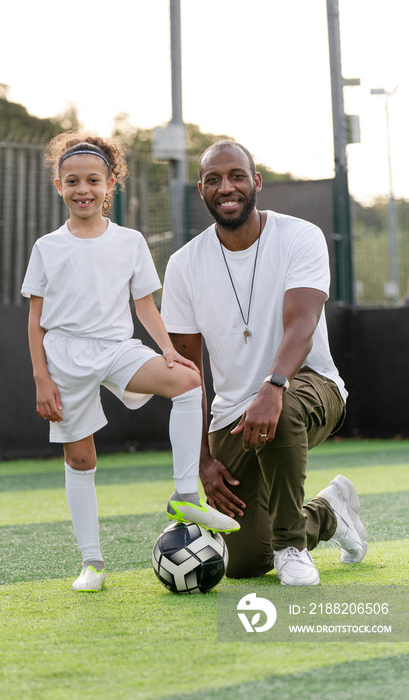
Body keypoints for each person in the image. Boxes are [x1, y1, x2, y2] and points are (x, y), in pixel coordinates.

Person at [21, 132, 239, 592]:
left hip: (117, 349)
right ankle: (93, 565)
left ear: (110, 184)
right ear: (58, 186)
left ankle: (184, 498)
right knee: (80, 460)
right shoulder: (47, 247)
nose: (83, 189)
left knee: (188, 380)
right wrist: (42, 378)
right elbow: (36, 321)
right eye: (73, 181)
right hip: (65, 360)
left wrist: (168, 349)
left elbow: (144, 307)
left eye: (93, 180)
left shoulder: (131, 241)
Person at [161, 140, 367, 586]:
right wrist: (201, 459)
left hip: (310, 385)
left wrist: (273, 386)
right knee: (245, 561)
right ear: (201, 190)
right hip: (232, 415)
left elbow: (302, 323)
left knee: (282, 407)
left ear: (255, 182)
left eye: (236, 175)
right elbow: (188, 374)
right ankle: (330, 513)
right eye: (213, 179)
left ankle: (293, 545)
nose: (226, 187)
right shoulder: (183, 265)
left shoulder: (300, 236)